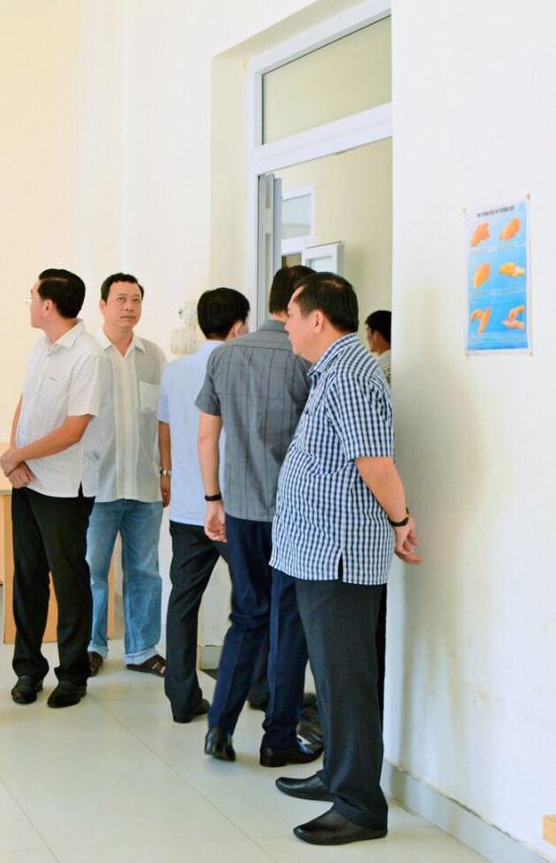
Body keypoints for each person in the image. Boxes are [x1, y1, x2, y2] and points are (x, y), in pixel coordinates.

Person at [273, 272, 421, 846]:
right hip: (318, 553)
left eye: (291, 314)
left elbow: (375, 464)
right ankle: (337, 774)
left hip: (339, 556)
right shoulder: (331, 371)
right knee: (333, 677)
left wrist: (401, 521)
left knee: (348, 680)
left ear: (317, 319)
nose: (285, 324)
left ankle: (360, 805)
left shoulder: (352, 376)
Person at [195, 264, 321, 767]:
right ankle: (278, 739)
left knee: (247, 617)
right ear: (299, 301)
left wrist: (213, 500)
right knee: (289, 623)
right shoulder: (306, 358)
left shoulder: (225, 355)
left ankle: (219, 729)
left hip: (242, 510)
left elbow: (207, 437)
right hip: (294, 513)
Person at [0, 268, 111, 709]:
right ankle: (28, 670)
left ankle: (73, 674)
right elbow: (25, 404)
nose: (28, 303)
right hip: (28, 481)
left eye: (32, 296)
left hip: (66, 486)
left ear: (48, 305)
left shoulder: (88, 355)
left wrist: (20, 454)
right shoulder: (40, 347)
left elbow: (74, 429)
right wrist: (15, 456)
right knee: (27, 578)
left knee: (68, 581)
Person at [158, 287, 249, 722]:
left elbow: (165, 428)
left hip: (185, 506)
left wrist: (167, 474)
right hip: (229, 507)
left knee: (183, 601)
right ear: (238, 326)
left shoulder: (174, 372)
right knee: (255, 600)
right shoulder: (239, 368)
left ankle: (181, 697)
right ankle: (259, 688)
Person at [84, 273, 168, 678]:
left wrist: (166, 470)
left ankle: (142, 650)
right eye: (120, 299)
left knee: (145, 572)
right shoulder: (87, 355)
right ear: (102, 305)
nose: (129, 307)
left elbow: (163, 420)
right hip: (95, 485)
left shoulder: (154, 356)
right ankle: (91, 646)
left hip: (144, 484)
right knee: (92, 571)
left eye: (135, 299)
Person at [364, 310, 392, 384]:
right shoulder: (402, 362)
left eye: (367, 330)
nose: (367, 337)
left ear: (376, 334)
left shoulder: (372, 369)